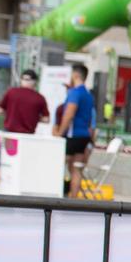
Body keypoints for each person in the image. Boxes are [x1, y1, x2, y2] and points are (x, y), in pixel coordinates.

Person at [54, 63, 97, 197]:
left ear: (76, 75)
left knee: (58, 164)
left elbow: (69, 114)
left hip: (73, 136)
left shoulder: (75, 93)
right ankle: (74, 199)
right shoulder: (88, 95)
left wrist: (60, 132)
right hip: (84, 136)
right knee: (76, 169)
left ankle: (57, 195)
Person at [0, 70, 48, 135]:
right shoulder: (40, 98)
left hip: (9, 132)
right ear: (35, 81)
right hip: (27, 135)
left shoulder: (11, 92)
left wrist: (10, 114)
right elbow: (46, 119)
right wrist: (34, 117)